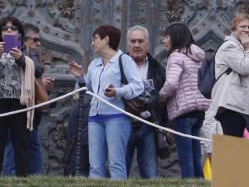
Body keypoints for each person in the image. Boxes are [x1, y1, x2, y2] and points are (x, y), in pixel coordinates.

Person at [68, 25, 145, 179]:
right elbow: (85, 91)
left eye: (95, 38)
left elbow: (138, 86)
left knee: (116, 163)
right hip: (94, 117)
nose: (92, 43)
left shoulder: (124, 60)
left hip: (116, 116)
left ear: (106, 39)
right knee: (95, 165)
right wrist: (79, 78)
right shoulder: (94, 64)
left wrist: (118, 91)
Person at [0, 16, 32, 175]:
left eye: (13, 28)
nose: (9, 30)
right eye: (5, 28)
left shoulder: (26, 50)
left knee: (20, 142)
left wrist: (21, 59)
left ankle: (22, 177)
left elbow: (38, 70)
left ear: (19, 33)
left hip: (19, 102)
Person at [159, 22, 210, 179]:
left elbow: (172, 83)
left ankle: (188, 185)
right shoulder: (198, 57)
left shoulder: (176, 57)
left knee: (185, 155)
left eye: (166, 37)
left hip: (182, 111)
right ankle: (199, 184)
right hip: (199, 111)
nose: (164, 41)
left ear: (175, 37)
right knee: (195, 153)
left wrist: (161, 96)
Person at [3, 24, 54, 176]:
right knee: (14, 154)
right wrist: (38, 81)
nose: (38, 44)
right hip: (17, 113)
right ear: (23, 40)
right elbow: (36, 70)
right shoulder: (16, 55)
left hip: (31, 116)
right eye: (35, 40)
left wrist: (40, 84)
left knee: (33, 155)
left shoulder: (29, 55)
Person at [202, 13, 249, 141]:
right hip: (230, 105)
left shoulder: (241, 48)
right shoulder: (230, 46)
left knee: (234, 146)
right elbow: (244, 68)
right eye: (242, 26)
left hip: (238, 106)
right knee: (230, 145)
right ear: (233, 29)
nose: (246, 30)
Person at [124, 25, 166, 179]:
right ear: (128, 44)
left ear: (147, 44)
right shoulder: (118, 67)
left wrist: (166, 125)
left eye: (140, 41)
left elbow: (165, 99)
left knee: (150, 175)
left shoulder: (158, 69)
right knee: (119, 174)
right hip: (123, 124)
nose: (137, 45)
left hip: (149, 125)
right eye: (133, 41)